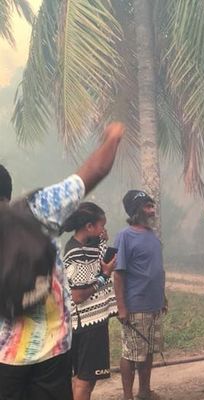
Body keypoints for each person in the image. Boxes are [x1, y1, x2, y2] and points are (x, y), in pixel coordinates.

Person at [0, 121, 125, 400]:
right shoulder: (36, 209)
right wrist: (112, 138)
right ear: (7, 193)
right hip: (53, 354)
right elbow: (94, 171)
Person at [113, 190, 166, 400]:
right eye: (147, 206)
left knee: (149, 350)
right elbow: (119, 275)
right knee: (132, 354)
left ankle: (145, 391)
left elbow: (157, 269)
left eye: (152, 206)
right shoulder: (124, 237)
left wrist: (163, 297)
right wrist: (122, 308)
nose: (152, 210)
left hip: (154, 305)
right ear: (136, 211)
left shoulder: (152, 236)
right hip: (136, 306)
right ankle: (128, 396)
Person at [62, 202, 118, 400]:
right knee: (85, 379)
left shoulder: (86, 247)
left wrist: (103, 243)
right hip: (86, 324)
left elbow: (97, 264)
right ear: (89, 227)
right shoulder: (76, 252)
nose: (103, 230)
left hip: (91, 321)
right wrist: (104, 277)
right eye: (101, 226)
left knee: (86, 377)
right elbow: (78, 296)